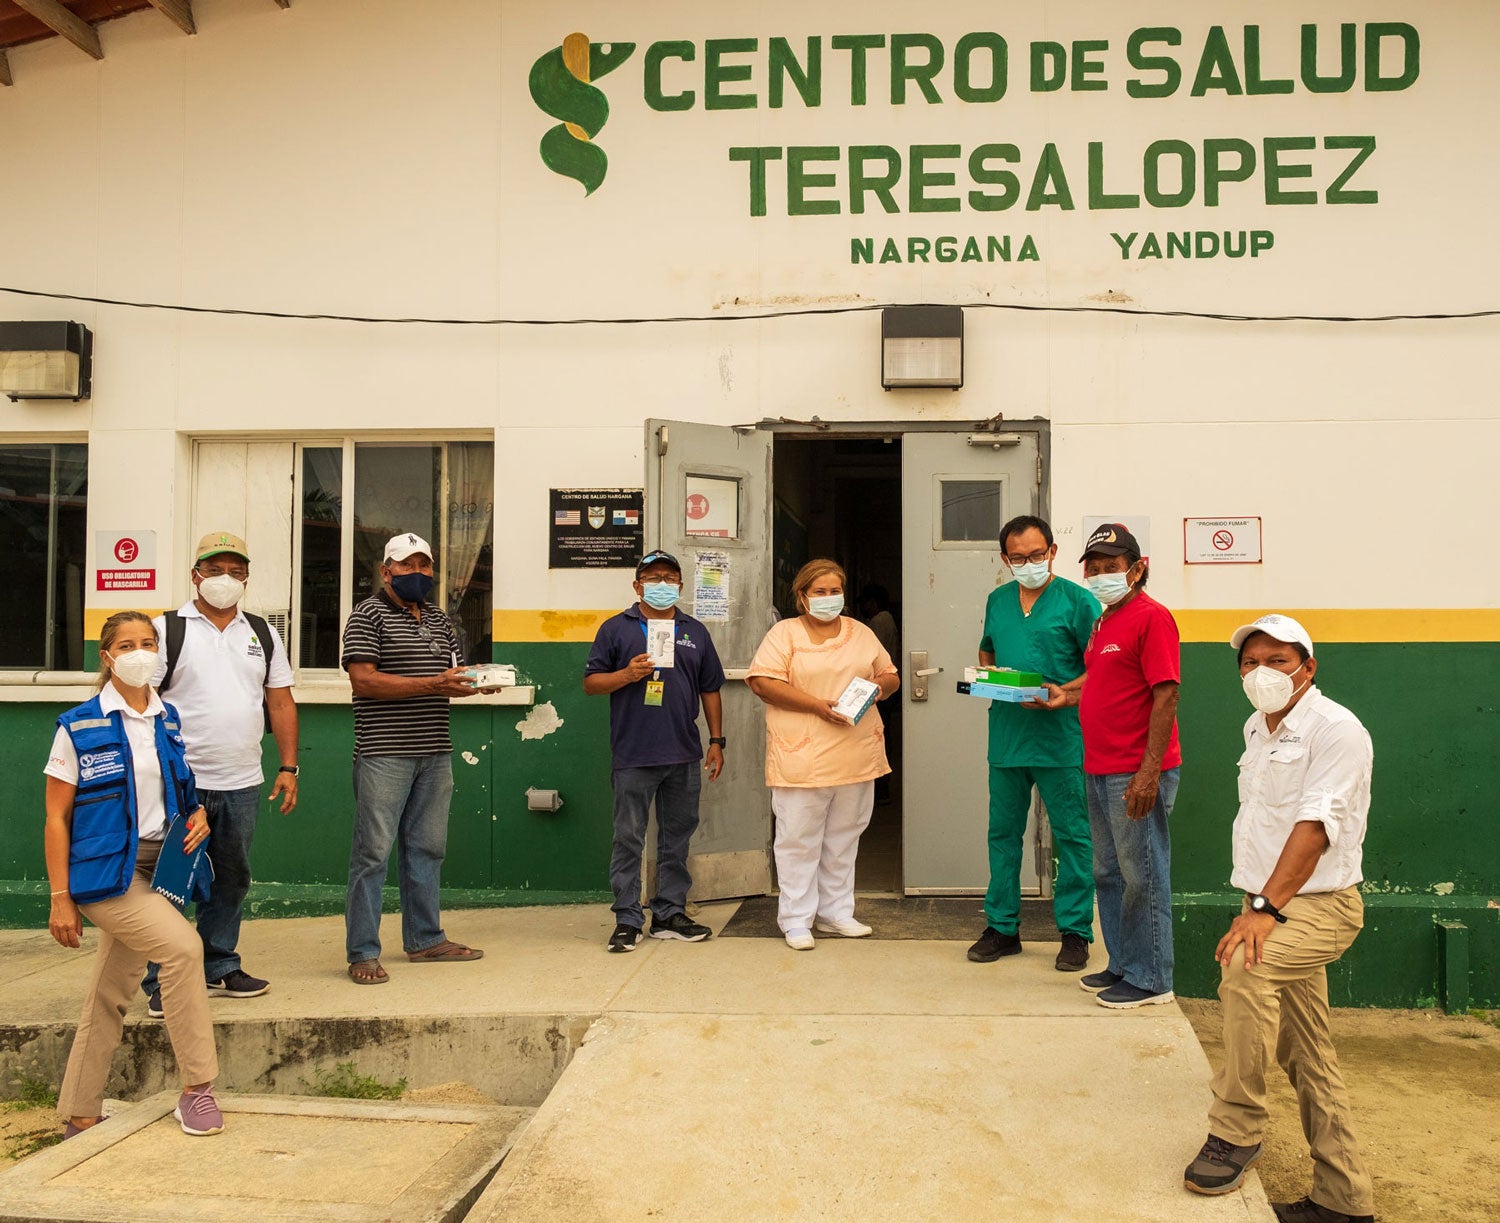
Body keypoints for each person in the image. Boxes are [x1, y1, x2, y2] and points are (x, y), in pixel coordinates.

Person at [1183, 615, 1374, 1223]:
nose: (1260, 672)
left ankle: (1236, 1130)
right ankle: (1344, 1201)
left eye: (1277, 660)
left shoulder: (1337, 730)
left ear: (1308, 667)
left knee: (1245, 970)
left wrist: (1264, 910)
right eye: (1249, 662)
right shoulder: (1257, 727)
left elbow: (1315, 828)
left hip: (1318, 906)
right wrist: (1259, 906)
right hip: (1267, 906)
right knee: (1307, 1051)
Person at [44, 611, 223, 1138]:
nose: (140, 651)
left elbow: (183, 795)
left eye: (148, 642)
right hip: (106, 876)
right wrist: (60, 897)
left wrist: (200, 816)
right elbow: (56, 816)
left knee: (110, 990)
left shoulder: (168, 719)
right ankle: (198, 1091)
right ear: (107, 656)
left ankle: (80, 1112)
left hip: (159, 864)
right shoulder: (77, 725)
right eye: (127, 644)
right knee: (183, 950)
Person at [139, 531, 298, 1016]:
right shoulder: (166, 630)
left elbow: (280, 700)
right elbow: (138, 702)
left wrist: (288, 765)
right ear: (195, 575)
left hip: (242, 780)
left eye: (235, 570)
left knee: (232, 876)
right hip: (179, 784)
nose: (224, 579)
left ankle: (218, 964)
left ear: (246, 577)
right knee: (171, 880)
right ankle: (162, 978)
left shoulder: (263, 633)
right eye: (214, 569)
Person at [1033, 523, 1181, 1009]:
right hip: (1098, 764)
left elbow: (1166, 694)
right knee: (1109, 872)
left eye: (1111, 568)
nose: (1100, 576)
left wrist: (1148, 771)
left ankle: (1152, 978)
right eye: (1092, 569)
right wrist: (1065, 694)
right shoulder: (1103, 620)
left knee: (1143, 874)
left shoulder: (1151, 618)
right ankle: (1122, 963)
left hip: (1134, 770)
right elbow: (1098, 678)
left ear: (1138, 569)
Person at [341, 532, 484, 984]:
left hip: (435, 751)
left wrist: (475, 683)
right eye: (408, 566)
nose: (418, 574)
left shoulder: (440, 619)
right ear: (387, 571)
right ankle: (362, 952)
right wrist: (433, 686)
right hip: (385, 753)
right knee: (372, 854)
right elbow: (363, 681)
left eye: (425, 566)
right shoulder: (367, 615)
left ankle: (425, 939)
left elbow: (449, 677)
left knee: (428, 849)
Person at [969, 515, 1100, 972]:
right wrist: (989, 678)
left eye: (1037, 555)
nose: (1029, 564)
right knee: (1003, 836)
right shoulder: (998, 600)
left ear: (1052, 552)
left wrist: (1063, 694)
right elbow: (987, 649)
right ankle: (1002, 928)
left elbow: (1101, 669)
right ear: (1006, 559)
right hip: (1007, 738)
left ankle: (1075, 933)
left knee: (1073, 836)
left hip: (1060, 740)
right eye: (1019, 558)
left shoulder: (1079, 602)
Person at [747, 558, 900, 950]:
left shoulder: (861, 632)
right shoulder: (785, 634)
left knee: (844, 836)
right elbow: (763, 683)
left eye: (835, 591)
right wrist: (816, 705)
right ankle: (796, 919)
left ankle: (835, 913)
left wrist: (877, 689)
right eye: (820, 592)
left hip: (854, 751)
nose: (829, 598)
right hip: (801, 754)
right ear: (802, 596)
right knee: (798, 837)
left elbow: (890, 673)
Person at [583, 550, 725, 952]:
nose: (662, 584)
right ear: (637, 585)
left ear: (680, 586)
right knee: (628, 838)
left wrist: (716, 741)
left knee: (676, 838)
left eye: (670, 577)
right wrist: (626, 675)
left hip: (683, 754)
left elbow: (710, 687)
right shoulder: (616, 629)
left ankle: (668, 913)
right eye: (653, 577)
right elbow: (591, 683)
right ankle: (627, 918)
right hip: (634, 754)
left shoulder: (695, 631)